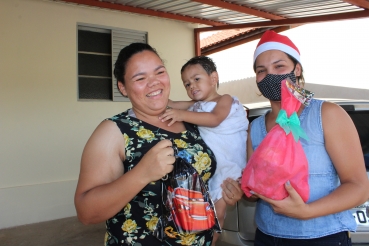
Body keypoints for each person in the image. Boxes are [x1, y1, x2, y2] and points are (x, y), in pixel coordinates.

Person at [74, 43, 243, 246]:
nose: (153, 83)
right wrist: (142, 173)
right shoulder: (115, 131)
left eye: (159, 72)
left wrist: (229, 192)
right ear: (123, 87)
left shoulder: (193, 123)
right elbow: (86, 213)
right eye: (140, 78)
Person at [246, 30, 369, 245]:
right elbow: (257, 189)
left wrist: (306, 212)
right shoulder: (255, 128)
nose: (271, 75)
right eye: (261, 70)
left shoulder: (326, 115)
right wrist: (240, 188)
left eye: (279, 66)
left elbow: (359, 187)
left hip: (322, 237)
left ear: (297, 69)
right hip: (267, 237)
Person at [159, 56, 248, 245]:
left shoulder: (224, 100)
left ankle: (212, 242)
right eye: (186, 84)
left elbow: (215, 118)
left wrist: (181, 114)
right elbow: (171, 104)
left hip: (229, 164)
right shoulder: (195, 106)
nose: (192, 86)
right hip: (213, 167)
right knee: (205, 215)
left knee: (218, 214)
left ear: (213, 78)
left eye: (197, 79)